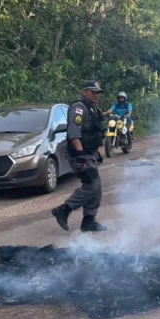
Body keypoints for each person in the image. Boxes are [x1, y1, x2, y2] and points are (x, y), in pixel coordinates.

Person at [51, 81, 108, 233]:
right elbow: (74, 134)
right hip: (79, 154)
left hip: (89, 153)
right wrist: (81, 155)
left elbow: (92, 134)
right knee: (91, 185)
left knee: (97, 187)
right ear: (84, 92)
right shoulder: (78, 108)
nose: (96, 95)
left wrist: (96, 153)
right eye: (93, 92)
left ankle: (89, 220)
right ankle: (64, 209)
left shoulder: (91, 109)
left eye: (97, 92)